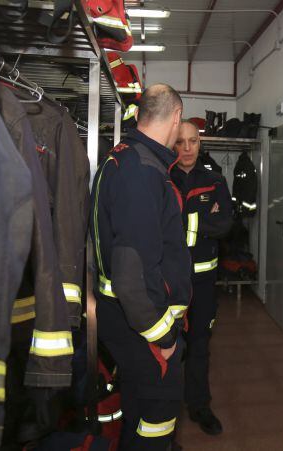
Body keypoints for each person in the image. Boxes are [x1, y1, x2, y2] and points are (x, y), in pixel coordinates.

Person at [90, 84, 192, 450]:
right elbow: (132, 277)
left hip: (127, 323)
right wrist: (163, 337)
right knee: (155, 425)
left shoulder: (125, 157)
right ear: (176, 118)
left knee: (135, 414)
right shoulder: (143, 171)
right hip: (144, 329)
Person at [171, 121, 233, 435]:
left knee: (199, 345)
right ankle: (166, 408)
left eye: (192, 141)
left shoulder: (214, 180)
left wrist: (184, 224)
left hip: (203, 284)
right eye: (180, 142)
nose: (186, 148)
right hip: (167, 282)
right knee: (166, 346)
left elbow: (225, 224)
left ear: (200, 143)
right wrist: (200, 220)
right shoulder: (161, 178)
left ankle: (199, 406)